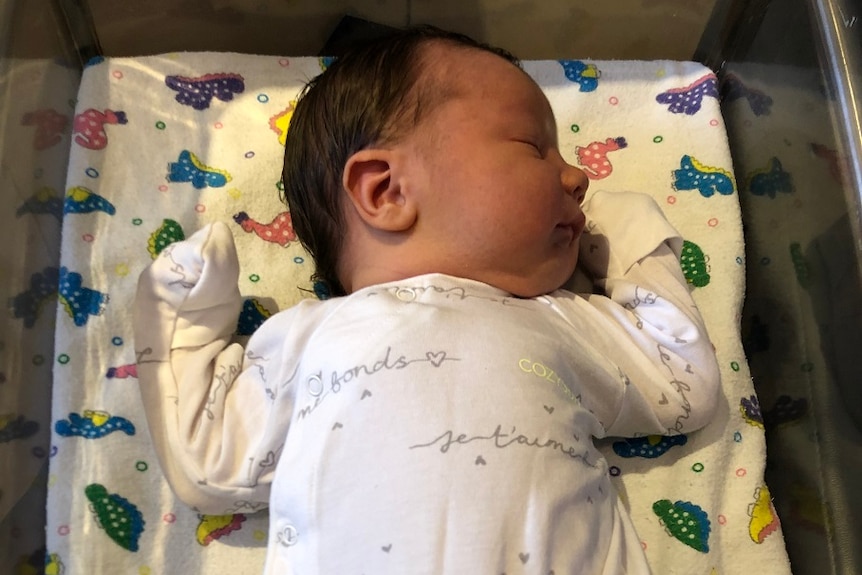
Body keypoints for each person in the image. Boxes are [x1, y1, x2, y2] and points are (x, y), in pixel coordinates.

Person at [134, 26, 721, 575]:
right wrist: (185, 322)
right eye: (534, 147)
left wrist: (626, 237)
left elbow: (681, 379)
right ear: (387, 191)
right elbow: (209, 463)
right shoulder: (308, 340)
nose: (577, 178)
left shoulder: (559, 319)